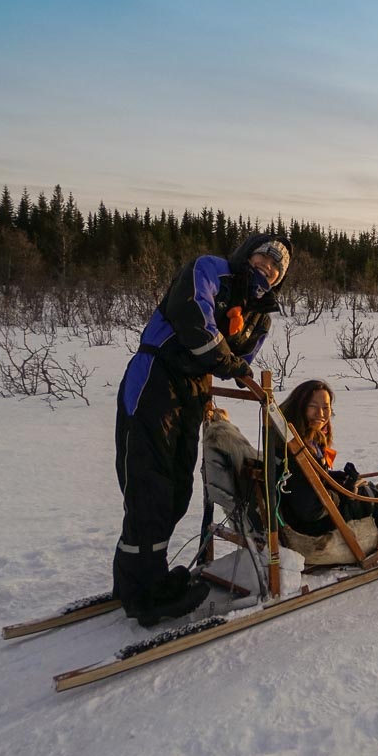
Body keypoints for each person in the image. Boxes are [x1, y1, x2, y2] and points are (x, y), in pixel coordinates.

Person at [113, 233, 291, 626]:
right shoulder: (210, 270)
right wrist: (234, 365)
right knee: (149, 484)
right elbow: (195, 320)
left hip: (192, 392)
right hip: (156, 377)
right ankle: (143, 593)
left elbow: (243, 355)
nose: (267, 269)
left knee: (176, 489)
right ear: (248, 254)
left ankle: (137, 576)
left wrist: (235, 367)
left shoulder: (259, 314)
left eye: (275, 269)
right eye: (263, 259)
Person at [271, 379, 378, 537]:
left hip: (304, 516)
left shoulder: (303, 439)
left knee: (360, 486)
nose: (321, 414)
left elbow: (309, 481)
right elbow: (310, 510)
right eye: (313, 406)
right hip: (310, 527)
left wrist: (336, 479)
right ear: (299, 407)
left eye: (325, 407)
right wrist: (342, 494)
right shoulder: (294, 451)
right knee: (362, 495)